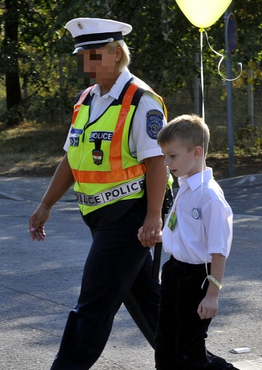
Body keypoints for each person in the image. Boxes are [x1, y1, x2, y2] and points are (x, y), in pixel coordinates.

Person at [27, 18, 167, 369]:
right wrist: (45, 204)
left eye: (95, 55)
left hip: (129, 216)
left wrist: (153, 216)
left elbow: (157, 163)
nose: (87, 64)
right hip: (99, 217)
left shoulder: (141, 100)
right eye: (83, 56)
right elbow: (72, 159)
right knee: (150, 305)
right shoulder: (87, 99)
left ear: (117, 54)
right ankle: (194, 361)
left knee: (93, 303)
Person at [141, 114, 237, 369]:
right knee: (165, 346)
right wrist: (162, 236)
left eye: (172, 156)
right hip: (174, 272)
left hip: (198, 278)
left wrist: (212, 295)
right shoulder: (183, 186)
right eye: (164, 156)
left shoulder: (210, 196)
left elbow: (218, 250)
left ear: (196, 151)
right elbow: (181, 227)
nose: (166, 162)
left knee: (189, 352)